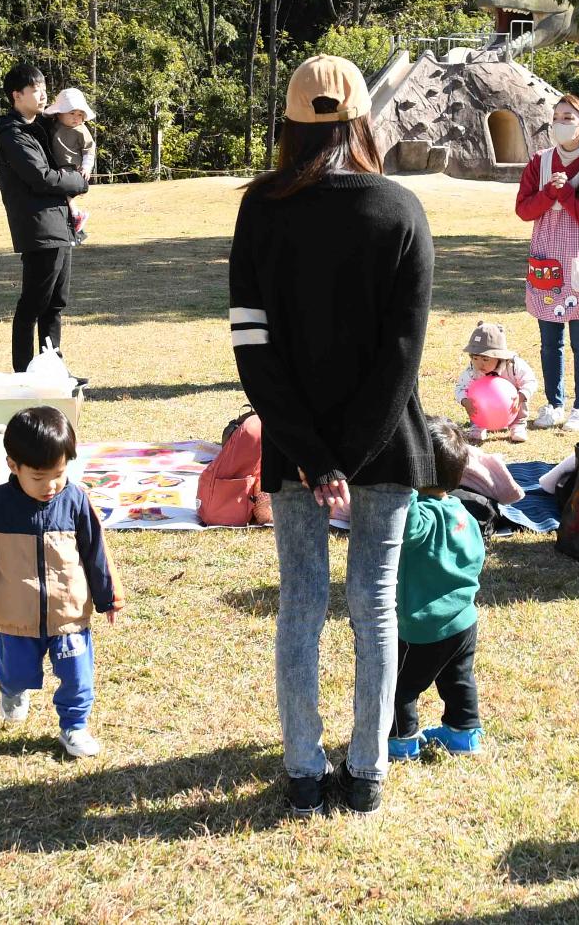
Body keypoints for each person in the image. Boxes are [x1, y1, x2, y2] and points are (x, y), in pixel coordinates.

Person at [229, 54, 433, 818]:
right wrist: (348, 454)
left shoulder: (261, 208)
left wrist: (315, 456)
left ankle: (302, 769)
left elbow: (254, 347)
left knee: (302, 603)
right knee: (373, 605)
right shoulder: (401, 209)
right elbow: (401, 358)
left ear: (290, 123)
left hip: (294, 445)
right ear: (362, 119)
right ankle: (368, 770)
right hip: (382, 444)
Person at [0, 406, 120, 760]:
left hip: (69, 615)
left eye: (58, 474)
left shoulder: (75, 501)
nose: (51, 486)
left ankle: (74, 725)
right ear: (13, 466)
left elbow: (95, 551)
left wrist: (108, 597)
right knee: (15, 673)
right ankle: (12, 691)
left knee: (77, 677)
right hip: (15, 618)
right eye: (39, 477)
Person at [389, 417, 486, 761]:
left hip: (423, 629)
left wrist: (404, 483)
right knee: (459, 680)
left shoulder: (422, 518)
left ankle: (401, 741)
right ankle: (464, 734)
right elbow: (477, 556)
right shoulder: (461, 512)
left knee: (400, 686)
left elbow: (408, 521)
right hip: (464, 622)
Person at [517, 93, 579, 434]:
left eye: (568, 117)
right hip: (546, 259)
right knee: (549, 339)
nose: (560, 122)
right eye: (556, 115)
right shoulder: (539, 162)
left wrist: (566, 196)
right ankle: (554, 403)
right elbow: (523, 210)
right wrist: (547, 194)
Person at [0, 63, 88, 372]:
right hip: (39, 228)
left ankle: (52, 370)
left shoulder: (40, 128)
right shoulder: (12, 133)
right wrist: (78, 181)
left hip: (59, 226)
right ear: (17, 95)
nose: (43, 94)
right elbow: (41, 177)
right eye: (36, 89)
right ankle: (22, 374)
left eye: (44, 88)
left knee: (55, 305)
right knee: (32, 306)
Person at [454, 322, 536, 445]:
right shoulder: (472, 370)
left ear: (499, 357)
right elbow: (460, 387)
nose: (479, 364)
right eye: (475, 358)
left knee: (517, 396)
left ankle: (517, 424)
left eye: (485, 359)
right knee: (475, 400)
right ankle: (478, 426)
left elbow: (530, 381)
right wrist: (465, 401)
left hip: (511, 407)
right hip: (482, 414)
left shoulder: (513, 366)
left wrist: (522, 396)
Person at [46, 87, 99, 242]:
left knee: (64, 192)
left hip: (72, 168)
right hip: (55, 167)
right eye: (72, 113)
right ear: (59, 112)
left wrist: (87, 167)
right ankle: (73, 219)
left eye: (80, 114)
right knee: (60, 195)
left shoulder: (82, 130)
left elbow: (89, 150)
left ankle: (77, 215)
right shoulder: (53, 125)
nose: (76, 118)